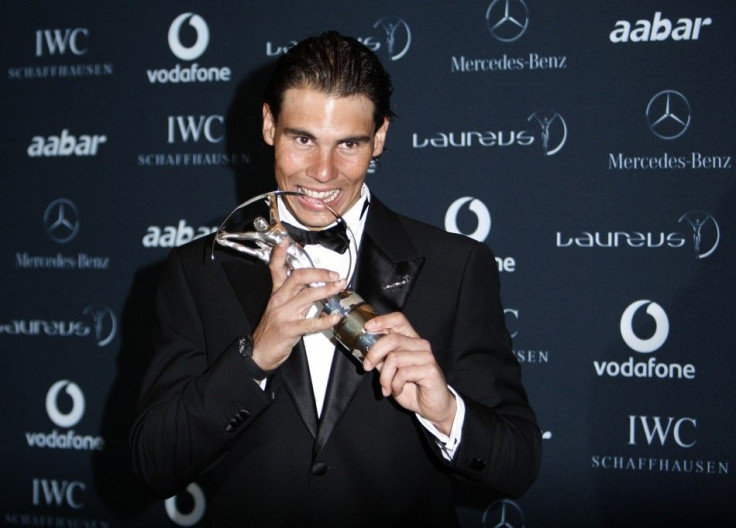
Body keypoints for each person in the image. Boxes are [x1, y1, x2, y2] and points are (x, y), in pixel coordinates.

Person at [130, 31, 541, 527]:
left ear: (381, 137)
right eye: (303, 139)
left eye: (349, 144)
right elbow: (154, 464)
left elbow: (516, 465)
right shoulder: (198, 271)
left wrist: (445, 412)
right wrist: (255, 358)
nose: (323, 172)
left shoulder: (456, 267)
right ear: (268, 125)